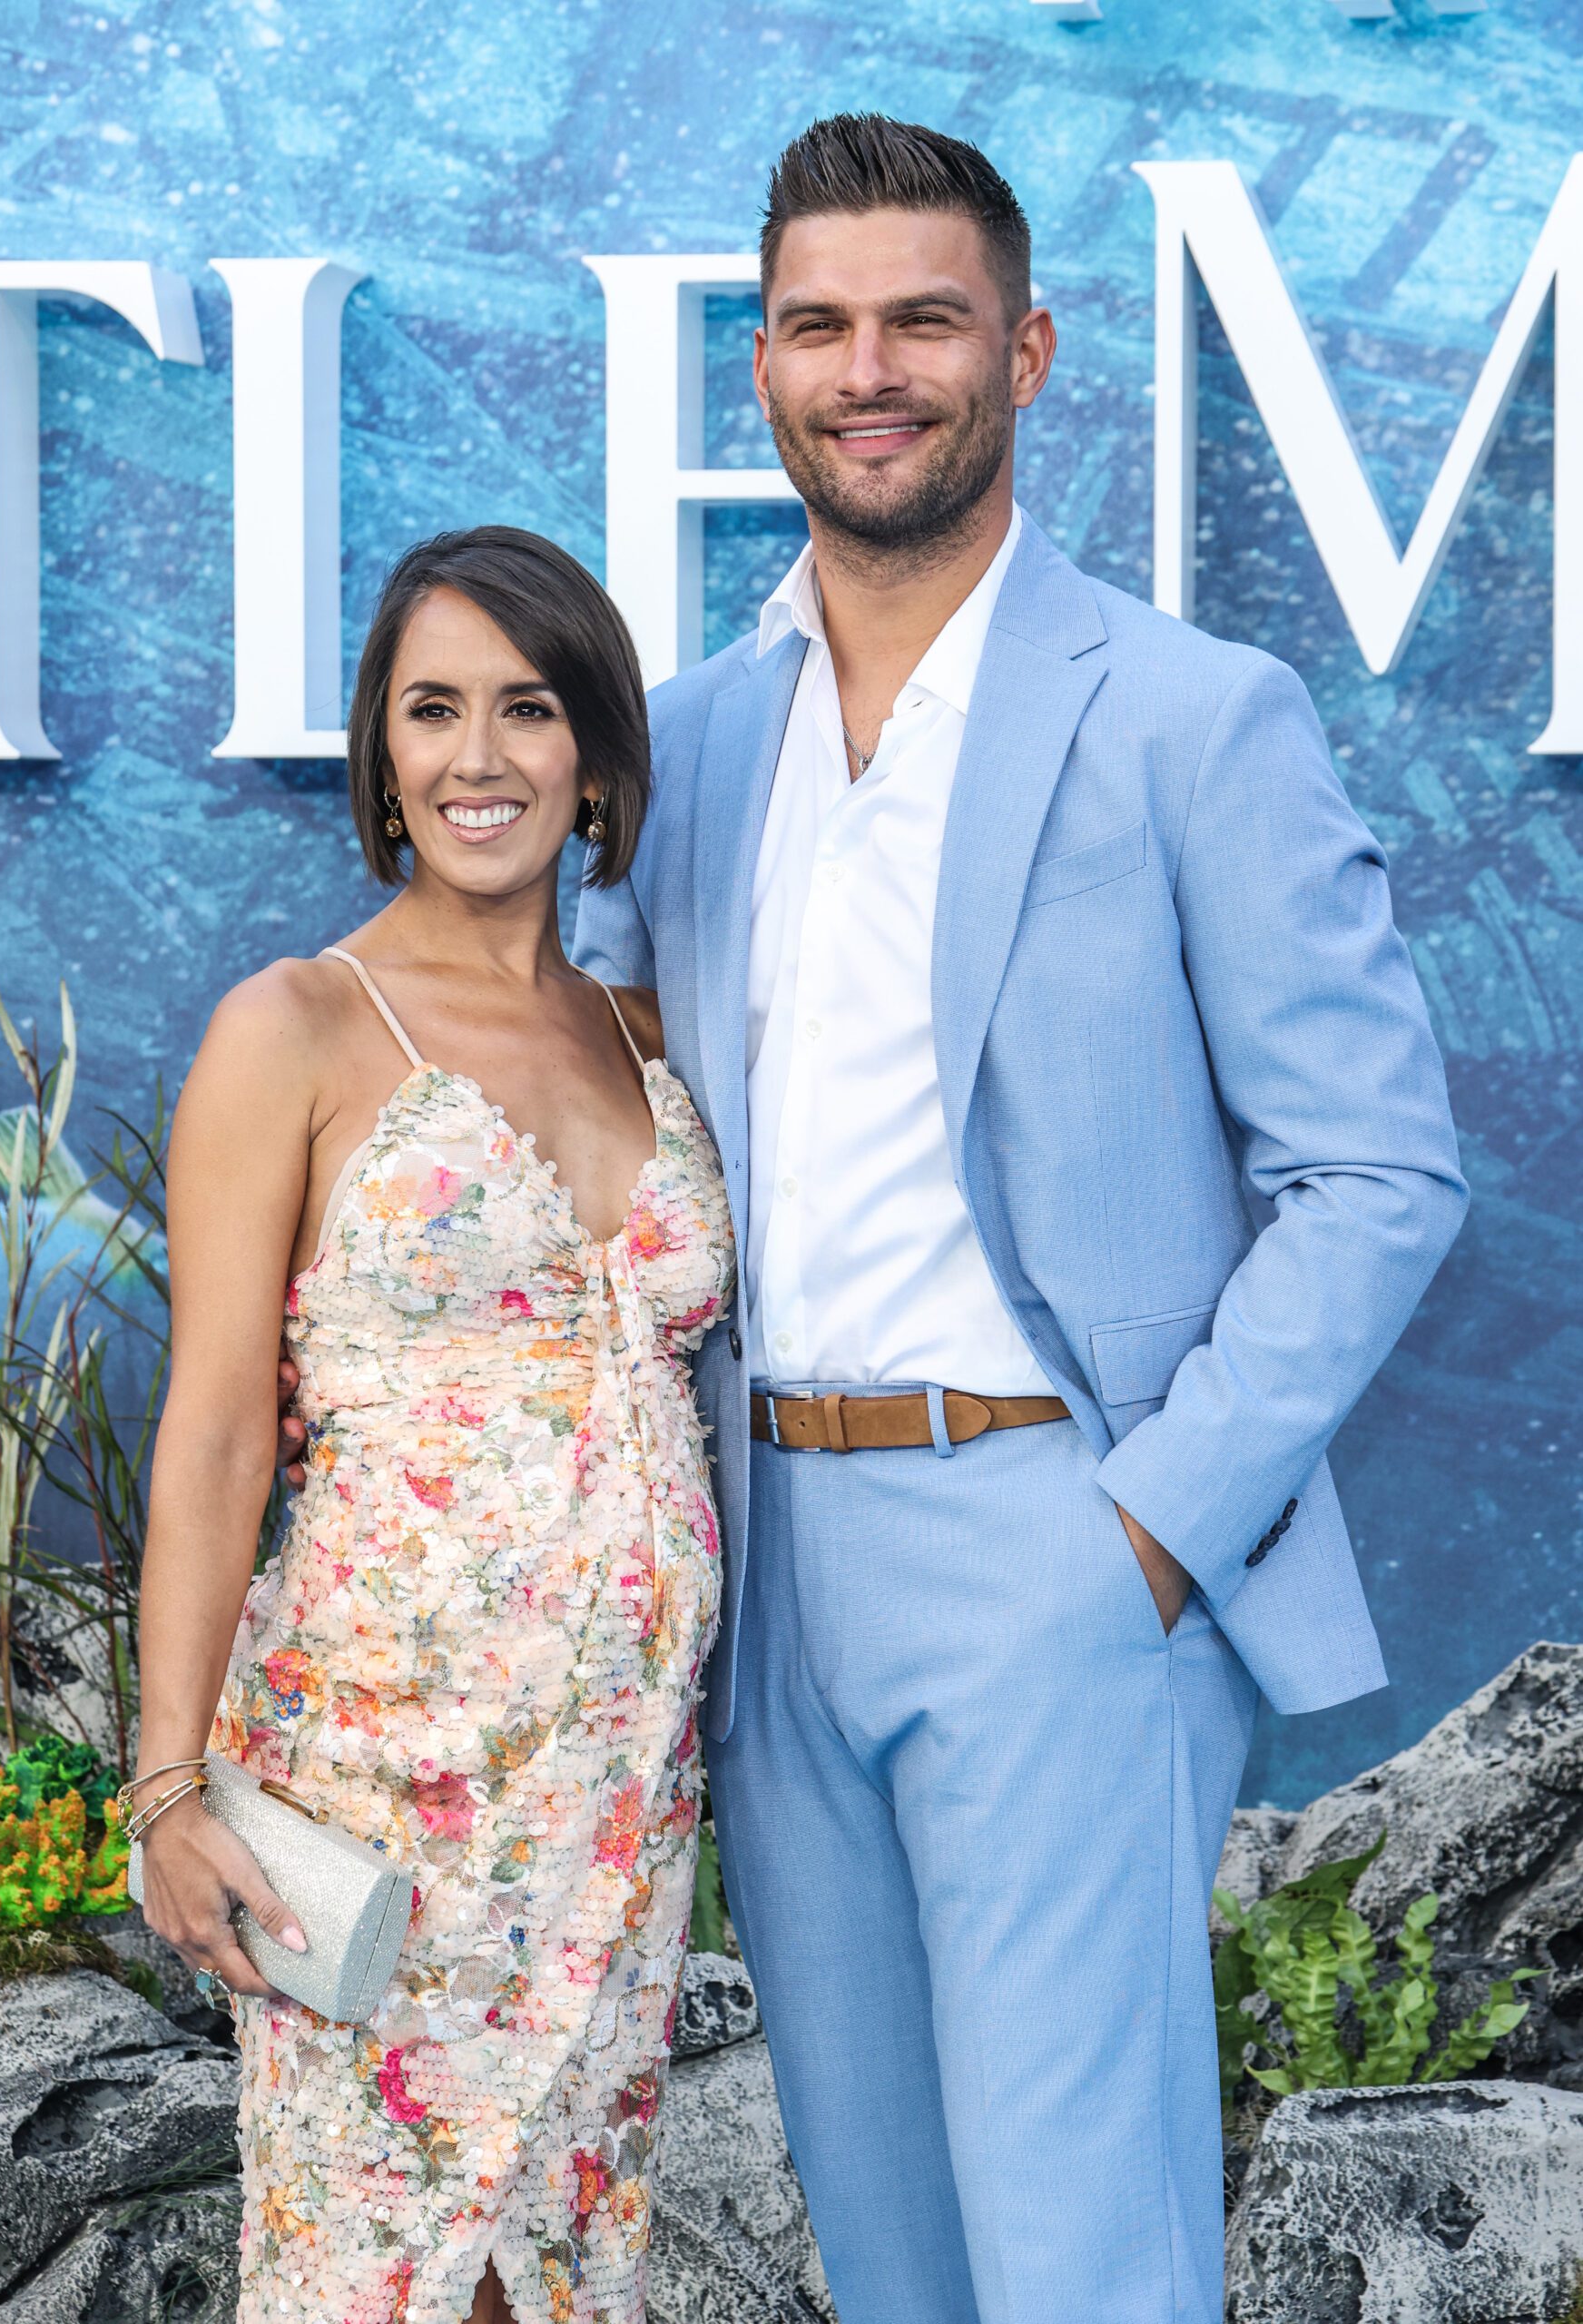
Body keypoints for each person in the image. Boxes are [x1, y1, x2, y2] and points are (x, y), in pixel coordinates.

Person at [570, 115, 1469, 2324]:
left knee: (1083, 2264)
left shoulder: (1192, 717)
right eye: (818, 326)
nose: (868, 370)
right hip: (772, 1571)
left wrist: (1149, 1528)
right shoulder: (687, 748)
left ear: (1029, 350)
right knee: (894, 2258)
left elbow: (1377, 1167)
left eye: (924, 320)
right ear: (761, 366)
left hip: (1055, 1542)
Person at [133, 526, 734, 2324]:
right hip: (385, 1789)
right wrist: (165, 1785)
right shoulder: (298, 1027)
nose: (481, 755)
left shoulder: (652, 1034)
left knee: (560, 2275)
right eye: (433, 708)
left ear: (596, 755)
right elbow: (216, 1433)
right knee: (377, 2278)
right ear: (381, 755)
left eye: (529, 708)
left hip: (617, 1800)